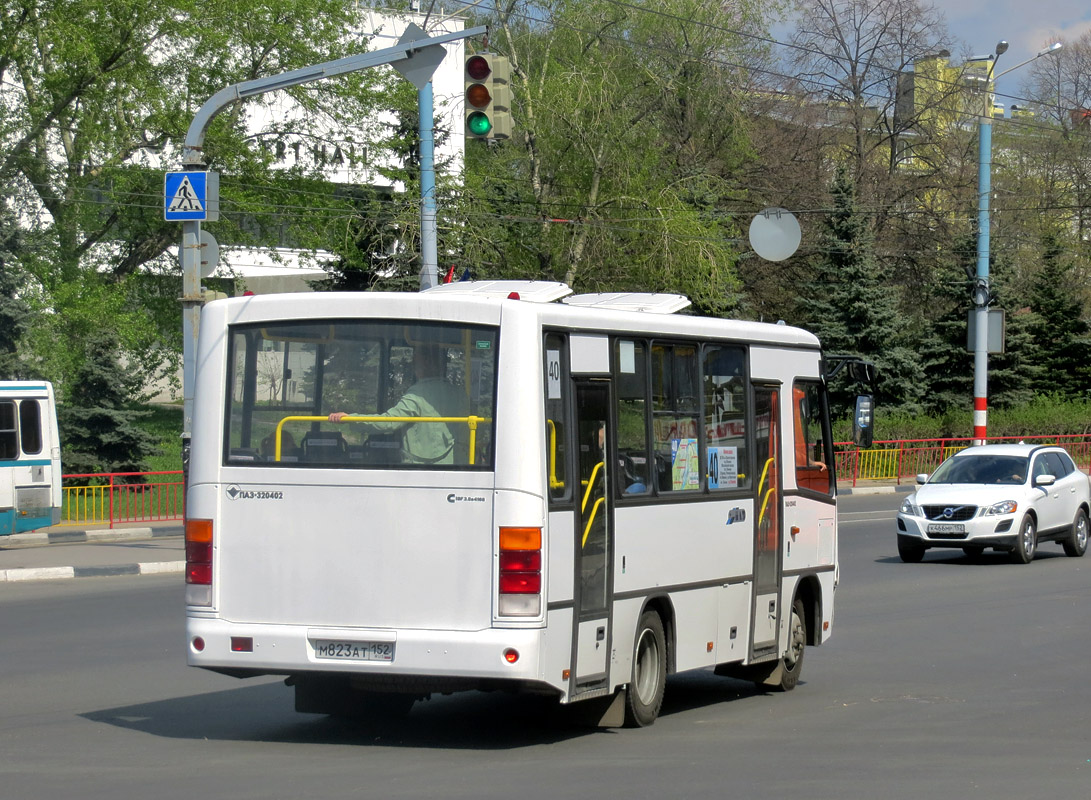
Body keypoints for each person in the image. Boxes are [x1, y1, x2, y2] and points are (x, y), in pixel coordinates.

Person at [328, 344, 469, 465]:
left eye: (416, 361)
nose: (414, 366)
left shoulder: (417, 394)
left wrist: (350, 418)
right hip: (458, 465)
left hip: (420, 468)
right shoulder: (460, 394)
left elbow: (388, 422)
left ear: (426, 363)